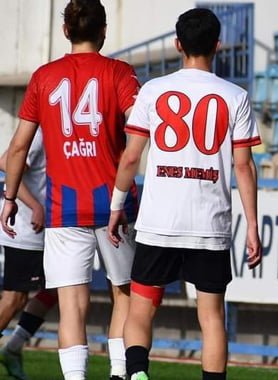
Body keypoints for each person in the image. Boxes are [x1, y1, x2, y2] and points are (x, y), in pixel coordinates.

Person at [107, 8, 262, 380]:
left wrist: (116, 205)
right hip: (208, 223)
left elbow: (131, 156)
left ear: (178, 44)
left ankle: (139, 374)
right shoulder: (235, 95)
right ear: (218, 45)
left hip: (160, 220)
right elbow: (244, 166)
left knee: (141, 308)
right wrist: (253, 226)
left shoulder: (153, 90)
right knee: (211, 318)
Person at [0, 1, 139, 379]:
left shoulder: (44, 77)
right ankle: (117, 373)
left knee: (70, 306)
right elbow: (141, 133)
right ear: (104, 30)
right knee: (123, 294)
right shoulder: (120, 73)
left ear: (65, 31)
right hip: (112, 201)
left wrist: (11, 198)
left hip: (64, 208)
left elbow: (16, 148)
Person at [0, 131, 59, 380]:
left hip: (49, 229)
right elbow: (6, 162)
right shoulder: (41, 130)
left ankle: (13, 347)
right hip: (26, 227)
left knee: (59, 288)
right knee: (14, 298)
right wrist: (35, 205)